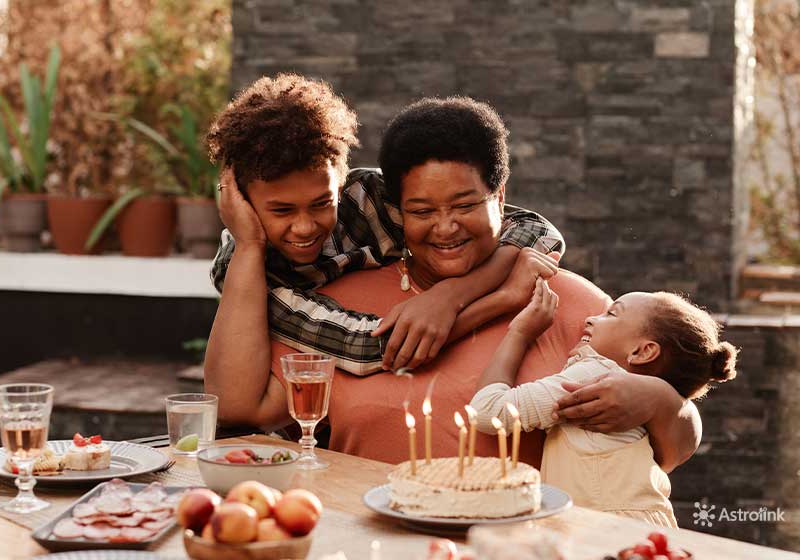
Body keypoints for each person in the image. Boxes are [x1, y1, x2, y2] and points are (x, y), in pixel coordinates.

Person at [206, 95, 702, 470]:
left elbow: (673, 452)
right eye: (422, 211)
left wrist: (662, 403)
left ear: (499, 196)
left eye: (465, 205)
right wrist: (247, 246)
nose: (445, 228)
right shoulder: (335, 304)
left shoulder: (572, 302)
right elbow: (243, 409)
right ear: (398, 211)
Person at [206, 73, 564, 376]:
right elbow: (368, 347)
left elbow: (533, 228)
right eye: (281, 211)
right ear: (240, 203)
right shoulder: (246, 270)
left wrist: (452, 295)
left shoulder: (368, 201)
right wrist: (500, 300)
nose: (304, 227)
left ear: (340, 183)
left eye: (322, 203)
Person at [470, 279, 738, 527]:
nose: (590, 319)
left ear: (642, 351)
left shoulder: (595, 375)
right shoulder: (630, 393)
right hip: (633, 523)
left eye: (611, 314)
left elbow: (488, 411)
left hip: (605, 528)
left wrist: (519, 333)